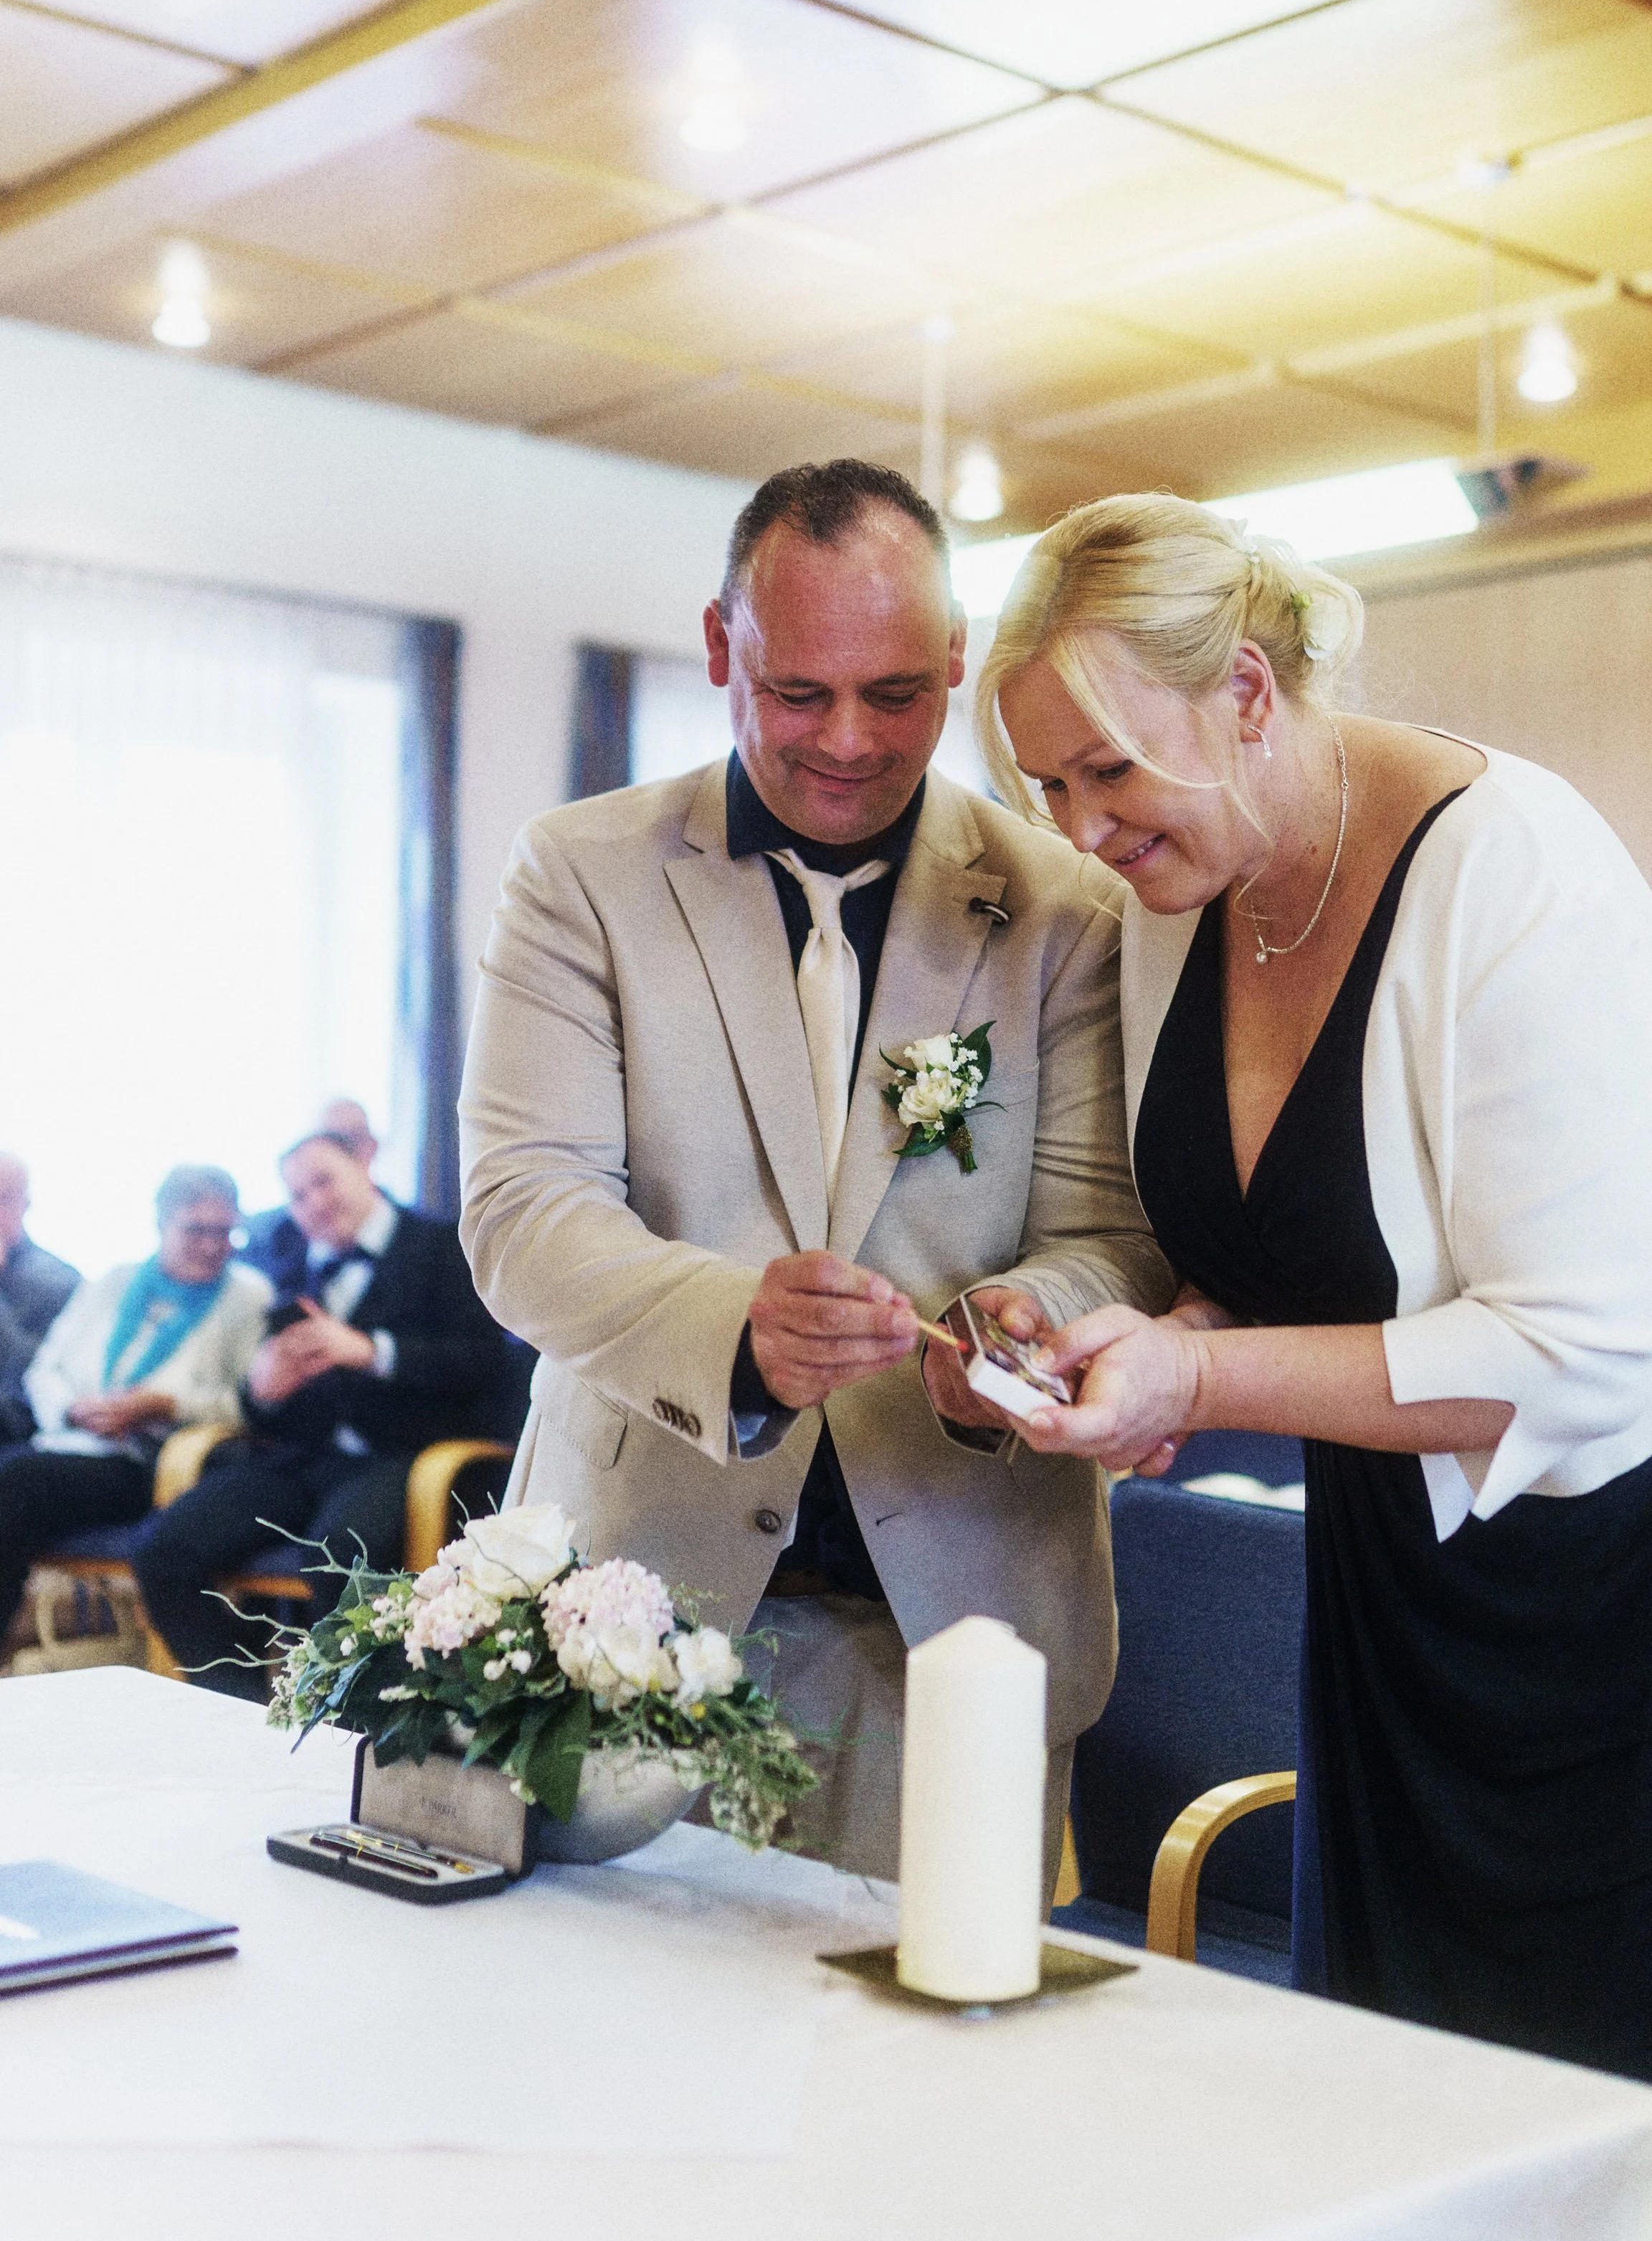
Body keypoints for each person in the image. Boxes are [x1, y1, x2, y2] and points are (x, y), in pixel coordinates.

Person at [973, 490, 1652, 2204]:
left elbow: (1568, 1347)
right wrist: (1137, 1332)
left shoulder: (1516, 865)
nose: (1082, 828)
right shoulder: (1178, 890)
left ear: (1247, 692)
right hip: (1399, 1548)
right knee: (1401, 2072)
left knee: (1625, 2104)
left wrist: (1201, 1379)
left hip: (1650, 1545)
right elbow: (1280, 1241)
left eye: (1107, 769)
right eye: (1046, 784)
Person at [458, 458, 1171, 1880]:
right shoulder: (581, 874)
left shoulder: (1072, 910)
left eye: (896, 693)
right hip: (631, 1607)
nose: (848, 740)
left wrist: (1029, 1321)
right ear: (721, 646)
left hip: (957, 1617)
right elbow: (523, 1212)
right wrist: (736, 1332)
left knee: (934, 2018)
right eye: (799, 693)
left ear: (956, 657)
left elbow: (1117, 1236)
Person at [134, 1130, 505, 1696]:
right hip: (307, 1458)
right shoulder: (285, 1263)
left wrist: (371, 1351)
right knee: (164, 1550)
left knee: (341, 1552)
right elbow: (265, 1410)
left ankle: (356, 1728)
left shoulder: (443, 1244)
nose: (313, 1203)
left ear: (363, 1166)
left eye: (323, 1181)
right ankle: (243, 1709)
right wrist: (263, 1391)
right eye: (298, 1195)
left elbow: (484, 1361)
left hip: (412, 1456)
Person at [1, 1167, 268, 1647]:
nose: (212, 1245)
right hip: (71, 1440)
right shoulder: (115, 1281)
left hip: (153, 1462)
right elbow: (44, 1370)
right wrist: (74, 1409)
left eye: (224, 1231)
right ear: (162, 1223)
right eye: (196, 1230)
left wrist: (166, 1405)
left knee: (15, 1483)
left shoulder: (247, 1296)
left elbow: (251, 1405)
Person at [240, 1099, 379, 1281]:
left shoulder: (417, 1245)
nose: (318, 1203)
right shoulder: (272, 1238)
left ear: (361, 1162)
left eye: (324, 1181)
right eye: (299, 1196)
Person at [0, 1153, 79, 1444]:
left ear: (26, 1204)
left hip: (20, 1429)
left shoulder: (59, 1280)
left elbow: (36, 1374)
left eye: (3, 1199)